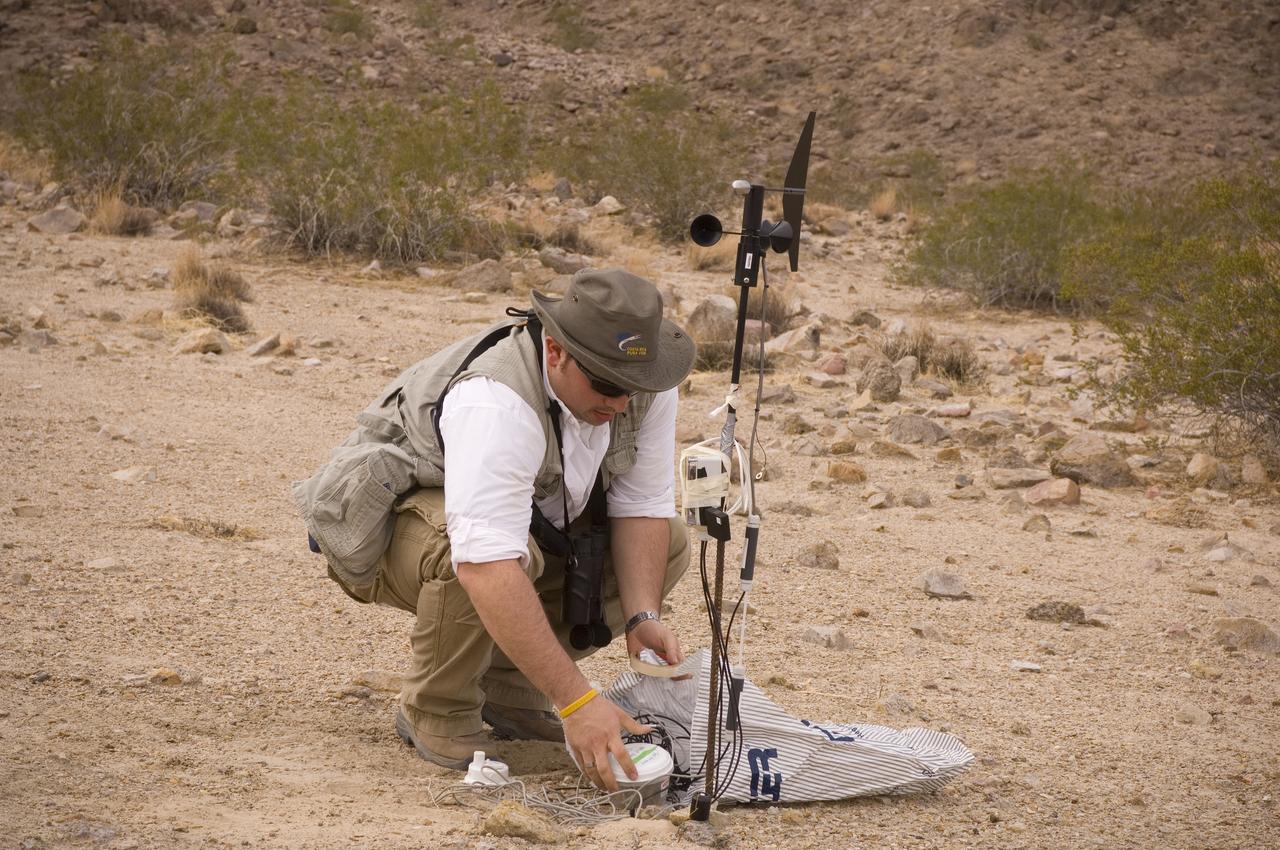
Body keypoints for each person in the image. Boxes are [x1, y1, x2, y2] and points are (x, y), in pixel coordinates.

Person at [292, 268, 696, 791]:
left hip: (529, 529)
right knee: (482, 552)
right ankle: (438, 710)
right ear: (555, 351)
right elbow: (485, 563)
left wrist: (642, 615)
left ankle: (511, 689)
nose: (622, 403)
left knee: (670, 545)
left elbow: (642, 505)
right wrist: (576, 700)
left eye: (635, 386)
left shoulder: (642, 385)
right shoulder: (495, 400)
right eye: (607, 384)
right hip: (384, 532)